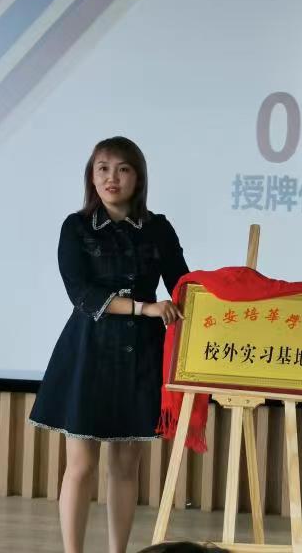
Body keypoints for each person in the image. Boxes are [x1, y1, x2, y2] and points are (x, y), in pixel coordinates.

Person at [29, 136, 189, 553]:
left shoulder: (158, 228)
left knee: (126, 466)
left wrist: (234, 292)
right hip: (89, 350)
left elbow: (184, 285)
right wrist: (144, 307)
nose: (111, 177)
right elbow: (80, 294)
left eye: (123, 169)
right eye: (102, 168)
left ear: (138, 178)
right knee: (80, 465)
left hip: (142, 353)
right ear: (91, 176)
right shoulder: (76, 227)